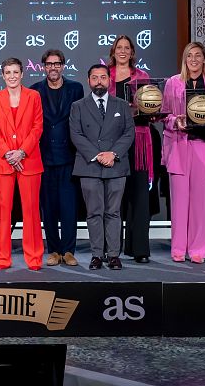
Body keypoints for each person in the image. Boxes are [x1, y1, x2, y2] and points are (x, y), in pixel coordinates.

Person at [162, 42, 205, 263]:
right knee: (179, 202)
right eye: (190, 55)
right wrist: (175, 121)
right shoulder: (173, 83)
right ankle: (179, 249)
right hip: (180, 146)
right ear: (185, 59)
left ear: (204, 59)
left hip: (204, 146)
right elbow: (165, 114)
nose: (194, 59)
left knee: (201, 202)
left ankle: (199, 249)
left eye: (198, 55)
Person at [70, 64, 134, 270]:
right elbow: (76, 134)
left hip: (116, 165)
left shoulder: (122, 105)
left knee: (113, 212)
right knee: (94, 212)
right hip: (89, 165)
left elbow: (128, 133)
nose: (99, 81)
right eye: (95, 77)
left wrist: (112, 154)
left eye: (103, 77)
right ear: (88, 81)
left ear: (109, 80)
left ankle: (114, 255)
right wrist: (97, 155)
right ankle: (97, 254)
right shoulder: (78, 106)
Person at [0, 58, 44, 270]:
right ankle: (3, 257)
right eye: (8, 72)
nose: (12, 76)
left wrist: (21, 153)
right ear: (3, 75)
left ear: (22, 74)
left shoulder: (34, 96)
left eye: (15, 72)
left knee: (31, 211)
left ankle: (34, 257)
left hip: (28, 160)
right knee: (3, 212)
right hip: (3, 162)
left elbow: (38, 127)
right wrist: (8, 154)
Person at [30, 49, 84, 267]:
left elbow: (80, 122)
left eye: (57, 63)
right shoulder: (34, 91)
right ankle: (53, 250)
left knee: (70, 206)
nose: (53, 67)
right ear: (44, 66)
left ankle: (69, 251)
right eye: (49, 64)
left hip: (69, 156)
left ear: (63, 66)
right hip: (43, 157)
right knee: (49, 207)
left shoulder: (76, 89)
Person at [108, 35, 156, 264]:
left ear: (132, 52)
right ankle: (112, 250)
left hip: (138, 140)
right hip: (112, 142)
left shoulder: (143, 77)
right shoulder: (105, 76)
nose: (123, 51)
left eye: (127, 48)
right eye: (119, 48)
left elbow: (153, 108)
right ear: (113, 51)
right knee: (114, 198)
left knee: (139, 196)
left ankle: (139, 249)